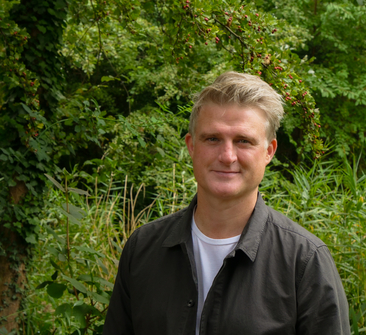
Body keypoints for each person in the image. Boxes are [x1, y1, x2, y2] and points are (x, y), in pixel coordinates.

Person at [103, 71, 350, 335]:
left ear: (269, 151)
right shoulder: (143, 249)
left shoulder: (305, 261)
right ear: (191, 146)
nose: (227, 156)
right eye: (213, 139)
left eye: (243, 141)